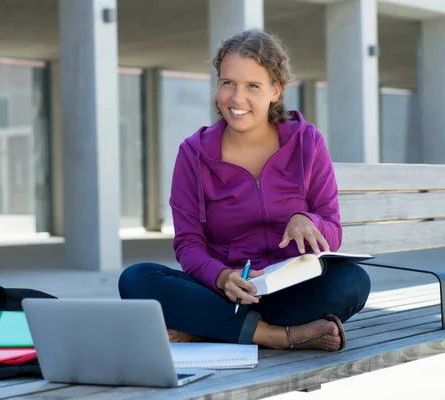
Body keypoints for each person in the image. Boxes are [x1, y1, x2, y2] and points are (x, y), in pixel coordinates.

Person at [118, 29, 370, 351]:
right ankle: (274, 336)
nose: (237, 99)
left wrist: (309, 221)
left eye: (253, 86)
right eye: (228, 83)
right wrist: (222, 276)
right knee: (136, 279)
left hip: (289, 291)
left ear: (275, 91)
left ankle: (209, 328)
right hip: (222, 291)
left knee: (352, 282)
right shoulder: (193, 154)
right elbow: (188, 243)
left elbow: (332, 231)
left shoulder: (308, 144)